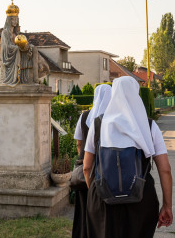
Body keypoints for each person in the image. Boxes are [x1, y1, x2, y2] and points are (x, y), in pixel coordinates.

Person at [83, 76, 173, 238]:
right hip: (141, 198)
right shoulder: (149, 126)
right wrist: (167, 205)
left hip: (104, 199)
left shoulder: (98, 125)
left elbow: (87, 167)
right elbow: (165, 169)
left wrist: (96, 193)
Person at [72, 84, 112, 238]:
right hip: (104, 168)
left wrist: (83, 158)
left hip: (85, 168)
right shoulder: (111, 117)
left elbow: (78, 142)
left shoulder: (84, 117)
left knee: (83, 207)